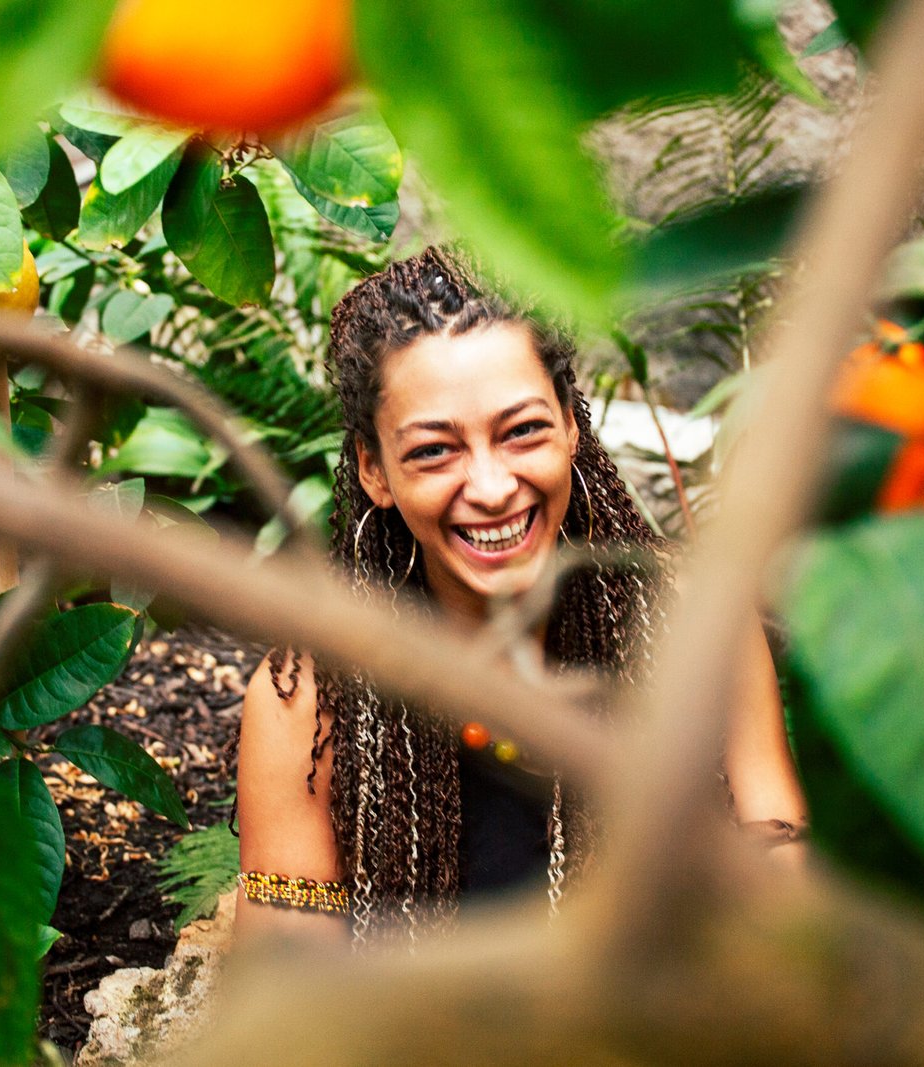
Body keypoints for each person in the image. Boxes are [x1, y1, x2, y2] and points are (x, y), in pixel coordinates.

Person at [234, 247, 806, 945]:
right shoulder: (310, 700)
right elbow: (288, 980)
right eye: (434, 450)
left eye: (522, 431)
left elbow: (780, 870)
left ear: (570, 424)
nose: (492, 487)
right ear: (373, 470)